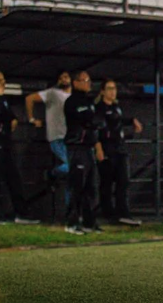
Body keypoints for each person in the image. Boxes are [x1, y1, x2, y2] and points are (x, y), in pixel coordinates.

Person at [0, 72, 38, 225]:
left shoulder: (3, 99)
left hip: (5, 140)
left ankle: (20, 213)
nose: (3, 84)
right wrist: (1, 107)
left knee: (13, 177)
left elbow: (10, 115)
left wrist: (13, 119)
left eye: (4, 80)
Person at [95, 79, 143, 226]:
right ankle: (108, 214)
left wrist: (132, 121)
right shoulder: (99, 108)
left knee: (123, 181)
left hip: (119, 149)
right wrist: (99, 149)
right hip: (107, 149)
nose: (112, 91)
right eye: (109, 88)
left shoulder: (116, 107)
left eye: (114, 88)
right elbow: (97, 129)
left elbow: (119, 121)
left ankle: (123, 212)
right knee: (107, 183)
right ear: (102, 91)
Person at [64, 71, 104, 235]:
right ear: (75, 83)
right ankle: (72, 222)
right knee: (77, 187)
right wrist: (93, 121)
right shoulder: (71, 102)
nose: (88, 83)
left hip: (88, 149)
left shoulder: (89, 102)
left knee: (91, 187)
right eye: (84, 80)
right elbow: (88, 119)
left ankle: (90, 222)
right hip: (76, 148)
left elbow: (95, 121)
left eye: (89, 80)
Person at [25, 71, 72, 184]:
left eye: (66, 77)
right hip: (57, 137)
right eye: (61, 78)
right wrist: (32, 119)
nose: (64, 80)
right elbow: (29, 98)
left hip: (71, 137)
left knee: (74, 171)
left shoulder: (73, 97)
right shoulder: (53, 93)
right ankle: (52, 173)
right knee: (72, 166)